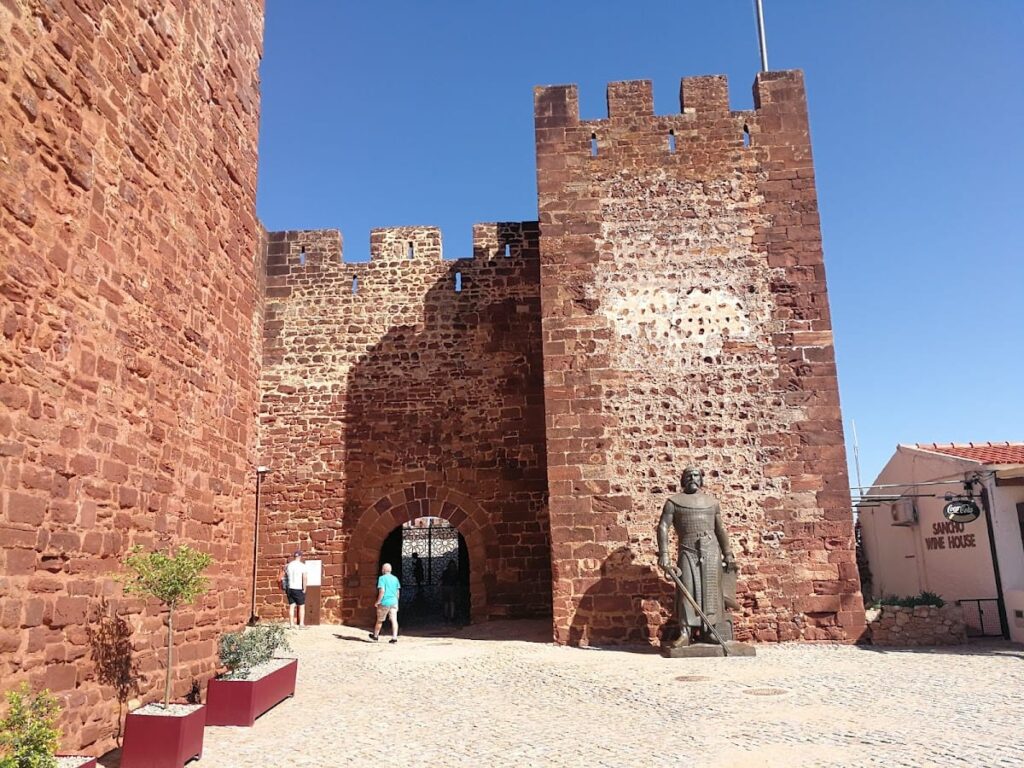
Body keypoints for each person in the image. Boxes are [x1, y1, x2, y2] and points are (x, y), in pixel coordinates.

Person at [656, 467, 736, 647]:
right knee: (687, 590)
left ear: (701, 479)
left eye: (696, 475)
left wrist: (728, 553)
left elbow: (720, 529)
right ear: (683, 480)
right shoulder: (673, 502)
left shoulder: (712, 503)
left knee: (712, 592)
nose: (692, 478)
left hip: (711, 551)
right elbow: (663, 527)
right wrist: (664, 554)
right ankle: (685, 632)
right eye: (688, 476)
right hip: (687, 550)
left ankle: (710, 632)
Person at [370, 562, 400, 643]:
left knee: (380, 620)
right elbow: (397, 592)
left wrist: (378, 601)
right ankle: (394, 637)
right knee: (394, 620)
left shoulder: (382, 578)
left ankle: (375, 636)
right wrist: (397, 602)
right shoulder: (395, 578)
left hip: (385, 602)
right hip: (394, 602)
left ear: (383, 570)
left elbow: (382, 591)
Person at [284, 550, 307, 628]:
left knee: (292, 606)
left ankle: (291, 624)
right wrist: (304, 588)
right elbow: (304, 577)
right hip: (298, 587)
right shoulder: (302, 565)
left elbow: (286, 575)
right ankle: (301, 624)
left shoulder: (288, 565)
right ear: (300, 557)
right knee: (301, 606)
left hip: (289, 587)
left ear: (294, 557)